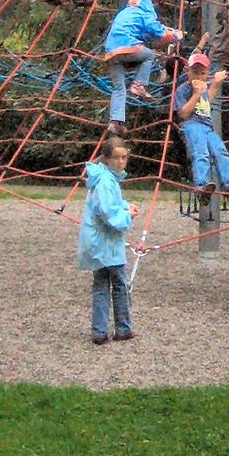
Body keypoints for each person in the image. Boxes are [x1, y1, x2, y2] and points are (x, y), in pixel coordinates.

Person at [78, 136, 140, 344]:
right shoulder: (105, 181)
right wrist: (127, 215)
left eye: (124, 157)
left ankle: (102, 330)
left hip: (102, 243)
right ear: (106, 159)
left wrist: (125, 206)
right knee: (115, 284)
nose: (121, 162)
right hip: (105, 244)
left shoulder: (106, 178)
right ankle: (117, 328)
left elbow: (112, 204)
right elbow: (107, 213)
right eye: (117, 158)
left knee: (104, 284)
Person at [103, 0, 182, 133]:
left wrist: (166, 31)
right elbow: (157, 33)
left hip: (111, 52)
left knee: (119, 88)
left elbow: (144, 33)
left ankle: (115, 121)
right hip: (127, 47)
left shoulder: (124, 13)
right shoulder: (144, 14)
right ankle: (139, 85)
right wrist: (175, 36)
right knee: (149, 55)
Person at [174, 51, 229, 199]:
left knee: (221, 152)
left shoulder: (203, 88)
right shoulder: (183, 90)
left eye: (202, 73)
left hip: (207, 127)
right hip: (191, 125)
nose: (198, 76)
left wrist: (216, 82)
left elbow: (209, 97)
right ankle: (201, 186)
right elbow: (182, 114)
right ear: (187, 70)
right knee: (201, 154)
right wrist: (195, 94)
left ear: (207, 73)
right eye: (195, 72)